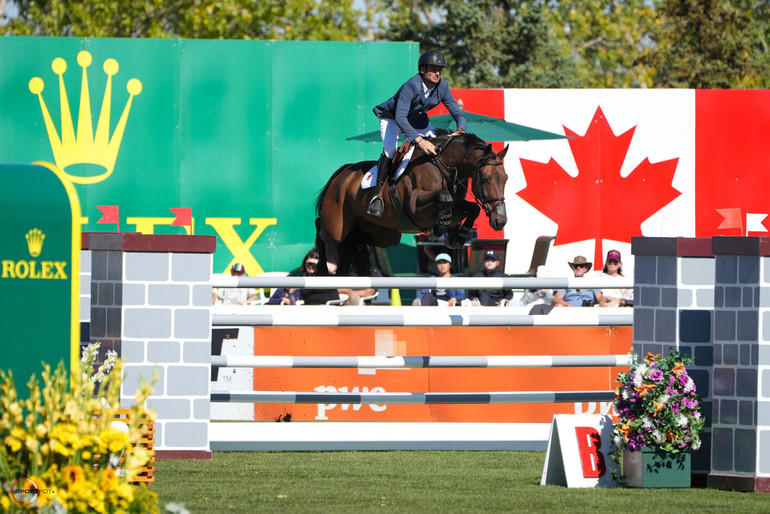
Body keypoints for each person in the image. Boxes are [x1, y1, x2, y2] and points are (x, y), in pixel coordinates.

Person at [366, 49, 467, 217]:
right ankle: (377, 195)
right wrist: (419, 141)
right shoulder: (411, 85)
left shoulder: (442, 86)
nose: (437, 73)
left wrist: (460, 130)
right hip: (393, 120)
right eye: (433, 68)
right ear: (422, 69)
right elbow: (400, 116)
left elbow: (457, 113)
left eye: (440, 69)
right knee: (391, 150)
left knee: (439, 147)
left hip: (418, 121)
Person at [300, 260, 378, 306]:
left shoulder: (369, 270)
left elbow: (369, 291)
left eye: (313, 265)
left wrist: (346, 292)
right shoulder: (338, 268)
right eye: (308, 265)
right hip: (332, 296)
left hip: (343, 300)